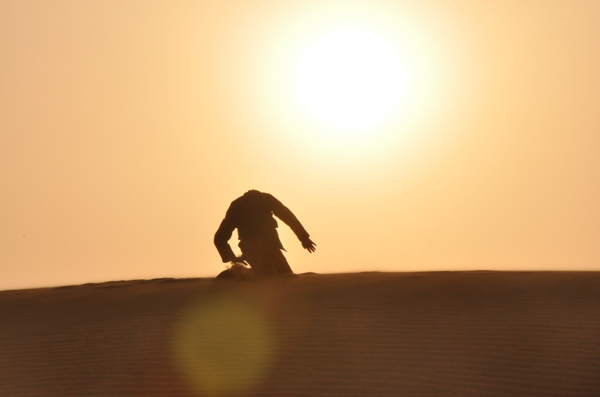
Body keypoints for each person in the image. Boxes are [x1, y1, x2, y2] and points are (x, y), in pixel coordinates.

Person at [214, 190, 316, 277]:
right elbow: (219, 238)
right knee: (269, 278)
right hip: (252, 248)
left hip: (271, 247)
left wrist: (304, 238)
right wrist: (232, 258)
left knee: (286, 276)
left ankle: (242, 274)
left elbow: (287, 216)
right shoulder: (238, 206)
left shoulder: (266, 200)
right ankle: (238, 275)